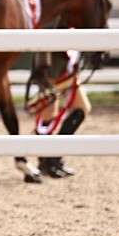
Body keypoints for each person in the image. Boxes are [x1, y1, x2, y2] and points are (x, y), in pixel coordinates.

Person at [27, 46, 90, 178]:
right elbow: (45, 29)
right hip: (52, 65)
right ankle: (46, 161)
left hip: (67, 65)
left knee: (82, 108)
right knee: (49, 114)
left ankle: (54, 157)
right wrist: (42, 65)